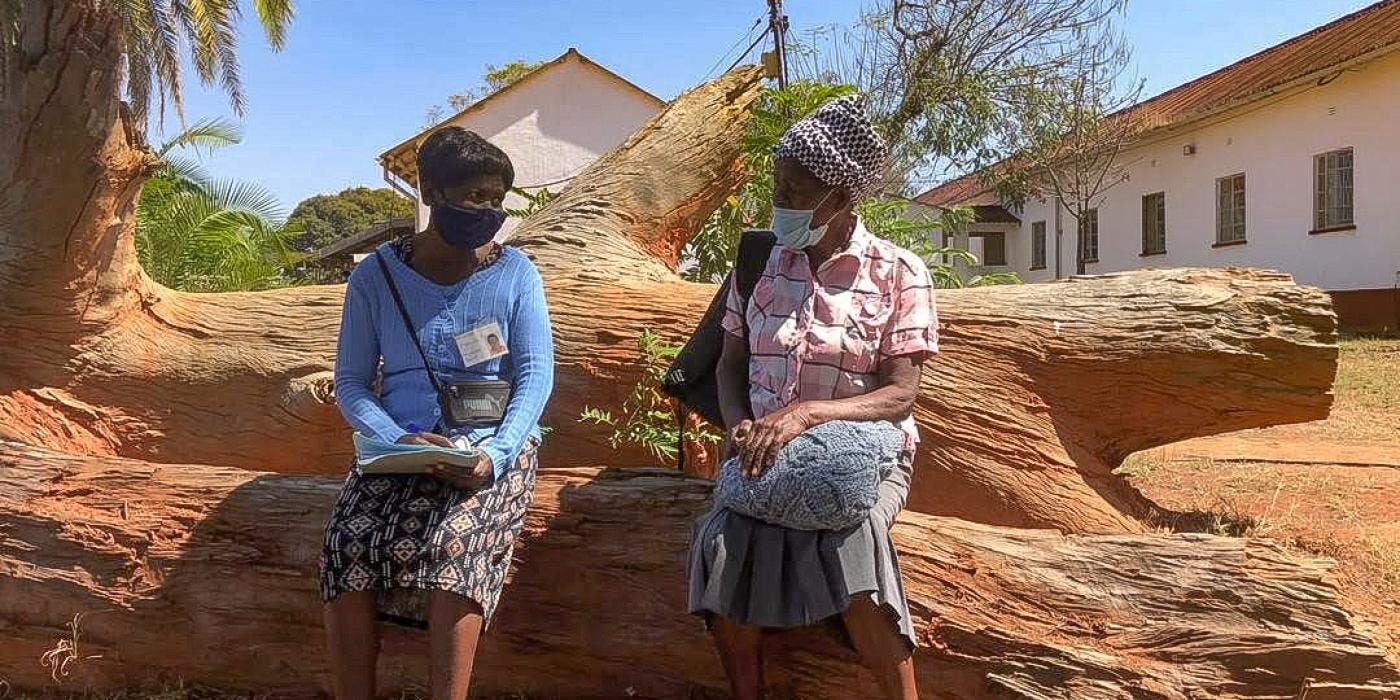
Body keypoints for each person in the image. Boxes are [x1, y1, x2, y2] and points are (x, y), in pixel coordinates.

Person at [687, 95, 937, 700]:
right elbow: (729, 366)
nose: (782, 203)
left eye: (797, 191)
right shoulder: (759, 264)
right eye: (779, 186)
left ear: (842, 199)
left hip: (862, 456)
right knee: (725, 551)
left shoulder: (899, 272)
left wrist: (808, 415)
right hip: (763, 449)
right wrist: (739, 423)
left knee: (857, 568)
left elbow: (900, 394)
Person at [320, 126, 554, 700]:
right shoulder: (375, 276)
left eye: (497, 199)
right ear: (430, 191)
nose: (488, 212)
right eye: (474, 197)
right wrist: (398, 441)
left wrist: (494, 456)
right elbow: (350, 383)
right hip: (398, 449)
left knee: (452, 546)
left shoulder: (515, 273)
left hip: (488, 446)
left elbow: (534, 375)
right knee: (344, 541)